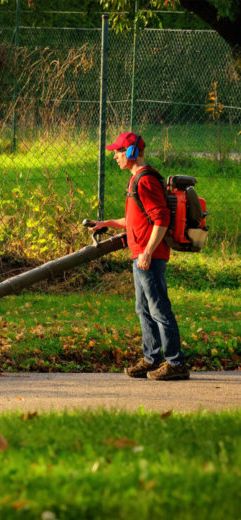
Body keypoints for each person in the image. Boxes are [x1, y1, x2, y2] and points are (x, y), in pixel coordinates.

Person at [92, 132, 189, 381]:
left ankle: (175, 362)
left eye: (118, 152)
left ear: (132, 152)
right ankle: (151, 358)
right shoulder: (137, 180)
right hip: (141, 255)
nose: (114, 156)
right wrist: (108, 223)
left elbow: (161, 219)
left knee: (159, 309)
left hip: (150, 257)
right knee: (143, 308)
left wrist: (147, 252)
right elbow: (137, 218)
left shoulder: (145, 181)